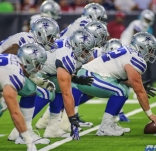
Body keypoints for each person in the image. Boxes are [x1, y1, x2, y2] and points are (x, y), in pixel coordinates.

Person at [0, 17, 60, 145]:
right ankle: (24, 133)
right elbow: (5, 59)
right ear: (40, 34)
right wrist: (1, 88)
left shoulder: (30, 40)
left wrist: (36, 79)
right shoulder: (27, 41)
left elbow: (18, 66)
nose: (52, 41)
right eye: (50, 37)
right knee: (27, 91)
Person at [34, 3, 108, 132]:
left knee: (70, 85)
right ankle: (64, 121)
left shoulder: (83, 32)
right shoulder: (85, 26)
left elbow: (92, 61)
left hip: (62, 57)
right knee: (62, 88)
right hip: (55, 60)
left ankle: (50, 124)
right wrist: (71, 117)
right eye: (100, 18)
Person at [76, 32, 156, 136]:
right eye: (150, 50)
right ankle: (105, 127)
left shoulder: (129, 51)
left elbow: (125, 81)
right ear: (141, 47)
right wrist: (150, 115)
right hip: (88, 76)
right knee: (120, 91)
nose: (151, 53)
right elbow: (139, 92)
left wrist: (139, 85)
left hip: (91, 74)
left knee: (125, 89)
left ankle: (111, 123)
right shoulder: (136, 59)